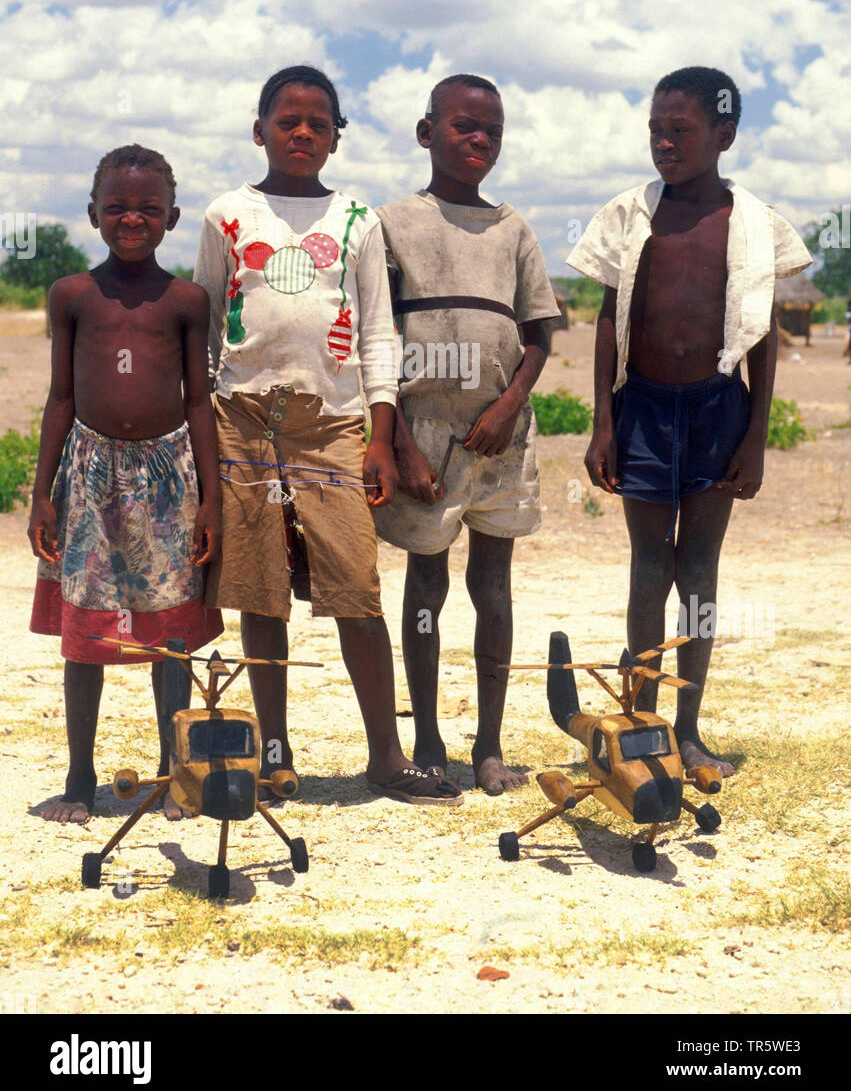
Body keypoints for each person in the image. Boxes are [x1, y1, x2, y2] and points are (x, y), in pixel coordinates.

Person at [193, 64, 462, 806]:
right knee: (260, 595)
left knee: (356, 588)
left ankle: (385, 756)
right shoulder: (226, 216)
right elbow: (207, 327)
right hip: (242, 421)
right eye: (288, 121)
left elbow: (378, 332)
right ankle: (275, 757)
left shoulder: (356, 222)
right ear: (260, 132)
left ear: (336, 137)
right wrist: (204, 430)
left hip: (332, 425)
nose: (303, 133)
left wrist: (380, 437)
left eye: (318, 122)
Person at [572, 66, 811, 775]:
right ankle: (642, 720)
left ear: (723, 135)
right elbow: (607, 321)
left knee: (699, 574)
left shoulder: (757, 227)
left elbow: (763, 336)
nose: (664, 143)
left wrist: (755, 437)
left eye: (680, 130)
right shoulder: (629, 213)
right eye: (655, 130)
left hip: (716, 411)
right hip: (641, 409)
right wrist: (602, 423)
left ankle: (688, 725)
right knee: (649, 569)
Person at [375, 75, 559, 795]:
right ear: (427, 134)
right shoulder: (392, 224)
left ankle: (488, 744)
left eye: (493, 131)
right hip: (422, 432)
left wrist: (510, 402)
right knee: (426, 583)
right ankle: (425, 737)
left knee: (493, 586)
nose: (480, 140)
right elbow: (375, 337)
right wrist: (400, 445)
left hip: (500, 436)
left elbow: (539, 334)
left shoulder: (512, 228)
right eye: (464, 127)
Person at [29, 144, 223, 824]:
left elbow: (199, 401)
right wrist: (42, 493)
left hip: (169, 478)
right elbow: (59, 398)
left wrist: (212, 500)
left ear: (171, 217)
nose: (131, 218)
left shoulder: (186, 300)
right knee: (84, 628)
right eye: (116, 206)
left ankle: (176, 775)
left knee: (168, 630)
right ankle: (80, 778)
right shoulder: (72, 295)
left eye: (147, 207)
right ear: (92, 214)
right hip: (89, 473)